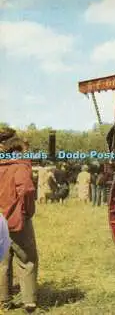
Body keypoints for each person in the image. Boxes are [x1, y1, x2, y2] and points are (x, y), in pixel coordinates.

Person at [0, 132, 38, 312]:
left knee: (3, 262)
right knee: (27, 260)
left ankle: (4, 301)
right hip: (16, 221)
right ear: (16, 150)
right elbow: (28, 190)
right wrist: (27, 211)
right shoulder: (20, 167)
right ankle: (29, 302)